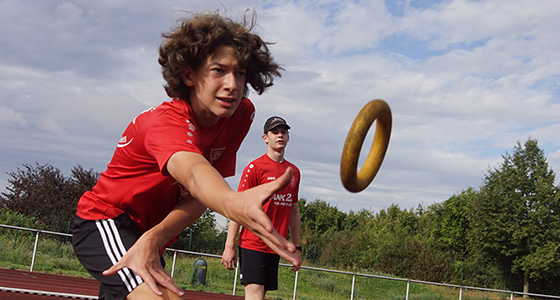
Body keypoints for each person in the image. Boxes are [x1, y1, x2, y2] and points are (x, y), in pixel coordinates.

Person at [72, 13, 301, 300]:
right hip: (107, 220)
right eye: (219, 70)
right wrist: (232, 202)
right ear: (189, 75)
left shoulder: (242, 114)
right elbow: (193, 172)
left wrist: (156, 236)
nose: (232, 84)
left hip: (150, 232)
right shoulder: (165, 123)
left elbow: (201, 195)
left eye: (240, 72)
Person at [221, 116, 302, 300]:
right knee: (255, 296)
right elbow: (237, 208)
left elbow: (294, 212)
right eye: (275, 132)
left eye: (284, 132)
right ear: (265, 138)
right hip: (253, 244)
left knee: (261, 296)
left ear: (288, 137)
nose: (280, 135)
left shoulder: (293, 172)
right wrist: (229, 246)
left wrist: (297, 247)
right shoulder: (255, 168)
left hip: (275, 246)